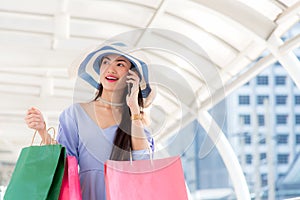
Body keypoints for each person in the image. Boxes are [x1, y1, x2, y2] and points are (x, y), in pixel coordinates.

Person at [25, 42, 155, 200]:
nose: (110, 69)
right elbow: (65, 164)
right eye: (105, 62)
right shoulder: (75, 114)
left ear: (132, 76)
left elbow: (144, 165)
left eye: (120, 64)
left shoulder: (136, 123)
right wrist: (43, 131)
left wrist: (134, 109)